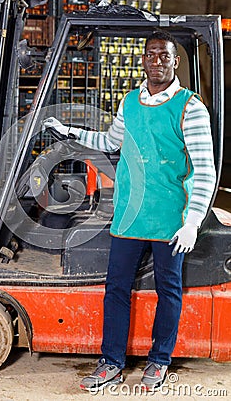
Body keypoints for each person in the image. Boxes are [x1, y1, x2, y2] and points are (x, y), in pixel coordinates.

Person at [43, 29, 216, 391]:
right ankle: (111, 362)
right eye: (151, 55)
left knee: (169, 290)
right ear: (143, 60)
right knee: (116, 288)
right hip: (129, 213)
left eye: (164, 56)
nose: (157, 61)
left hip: (171, 217)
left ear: (175, 61)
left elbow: (205, 168)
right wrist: (69, 131)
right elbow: (111, 143)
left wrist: (194, 222)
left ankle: (159, 360)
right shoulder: (129, 102)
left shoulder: (190, 106)